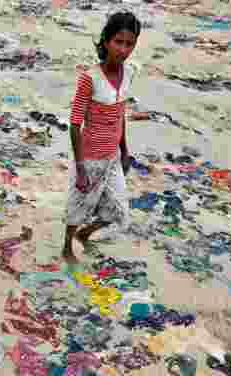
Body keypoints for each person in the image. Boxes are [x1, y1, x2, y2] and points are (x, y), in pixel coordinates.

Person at [63, 11, 141, 264]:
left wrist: (125, 151)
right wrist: (81, 168)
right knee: (79, 206)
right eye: (118, 42)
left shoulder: (129, 73)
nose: (123, 49)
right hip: (90, 156)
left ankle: (86, 233)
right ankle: (67, 248)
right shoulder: (90, 78)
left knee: (118, 211)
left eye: (129, 43)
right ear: (106, 41)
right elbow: (75, 124)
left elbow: (120, 115)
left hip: (113, 156)